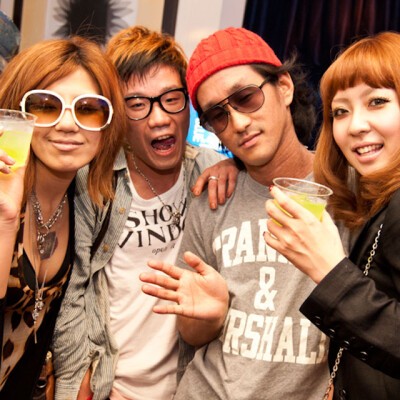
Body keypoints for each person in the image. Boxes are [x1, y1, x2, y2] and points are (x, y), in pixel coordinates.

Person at [139, 27, 331, 399]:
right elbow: (191, 334)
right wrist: (209, 316)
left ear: (284, 87)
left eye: (246, 97)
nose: (238, 123)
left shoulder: (344, 193)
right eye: (218, 115)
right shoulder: (212, 197)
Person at [52, 26, 238, 400]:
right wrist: (74, 379)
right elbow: (76, 289)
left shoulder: (213, 173)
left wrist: (239, 165)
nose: (159, 118)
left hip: (187, 386)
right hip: (110, 384)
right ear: (117, 115)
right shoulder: (96, 180)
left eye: (171, 99)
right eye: (137, 104)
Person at [264, 31, 400, 399]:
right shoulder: (378, 199)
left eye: (377, 101)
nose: (355, 125)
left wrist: (330, 271)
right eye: (341, 111)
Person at [0, 36, 125, 399]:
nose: (68, 124)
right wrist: (7, 221)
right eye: (45, 106)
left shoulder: (86, 205)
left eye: (88, 109)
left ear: (107, 126)